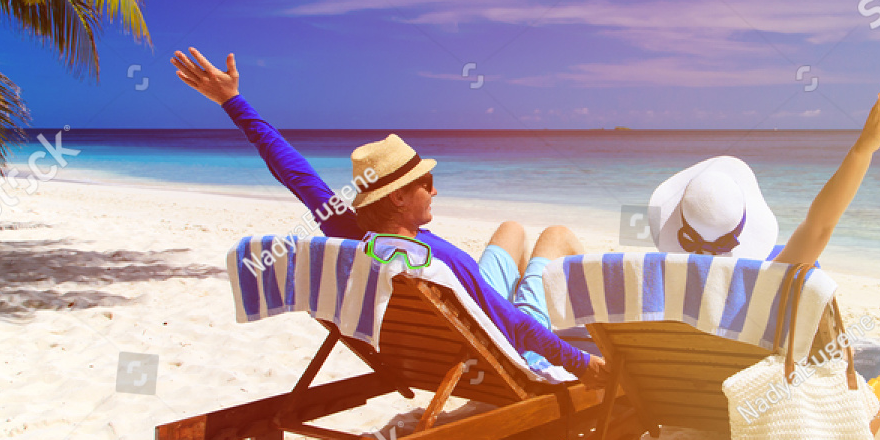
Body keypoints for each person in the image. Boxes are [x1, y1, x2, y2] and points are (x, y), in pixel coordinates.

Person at [170, 47, 607, 385]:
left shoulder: (349, 233)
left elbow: (292, 170)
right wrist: (583, 364)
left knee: (511, 230)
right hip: (503, 336)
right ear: (397, 199)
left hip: (460, 314)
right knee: (556, 235)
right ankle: (608, 334)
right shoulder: (439, 260)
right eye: (425, 184)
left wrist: (233, 102)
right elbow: (514, 323)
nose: (434, 190)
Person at [647, 80, 880, 266]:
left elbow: (820, 227)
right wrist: (862, 151)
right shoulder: (758, 286)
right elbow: (819, 227)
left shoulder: (655, 286)